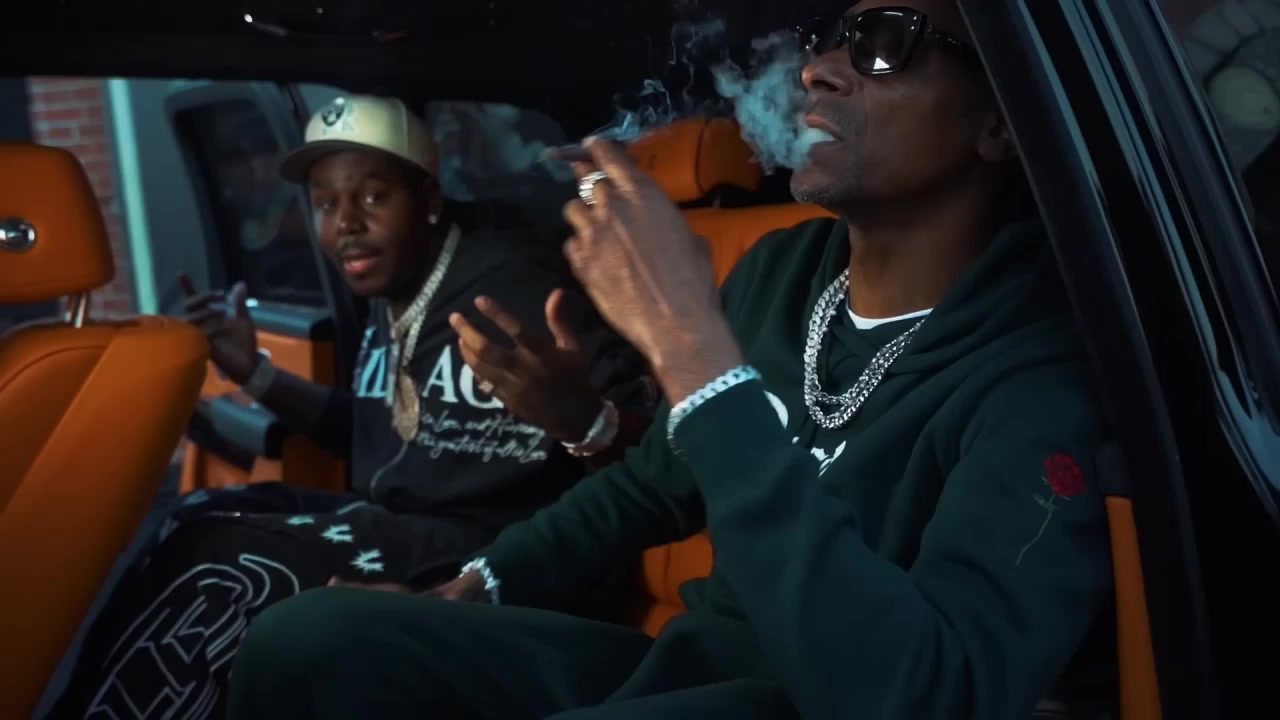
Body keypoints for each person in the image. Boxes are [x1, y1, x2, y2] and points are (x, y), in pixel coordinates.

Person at [228, 2, 1116, 718]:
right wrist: (479, 585)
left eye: (887, 42)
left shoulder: (1041, 369)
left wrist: (694, 353)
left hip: (810, 698)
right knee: (305, 640)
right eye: (826, 40)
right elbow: (654, 483)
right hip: (689, 665)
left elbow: (926, 695)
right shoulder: (784, 271)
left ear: (999, 125)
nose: (818, 69)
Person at [46, 94, 655, 719]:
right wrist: (255, 373)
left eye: (372, 197)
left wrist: (583, 418)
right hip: (404, 522)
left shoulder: (513, 284)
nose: (347, 224)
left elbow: (646, 452)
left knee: (224, 565)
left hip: (500, 547)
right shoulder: (394, 291)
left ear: (428, 199)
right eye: (326, 203)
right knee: (194, 516)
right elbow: (375, 432)